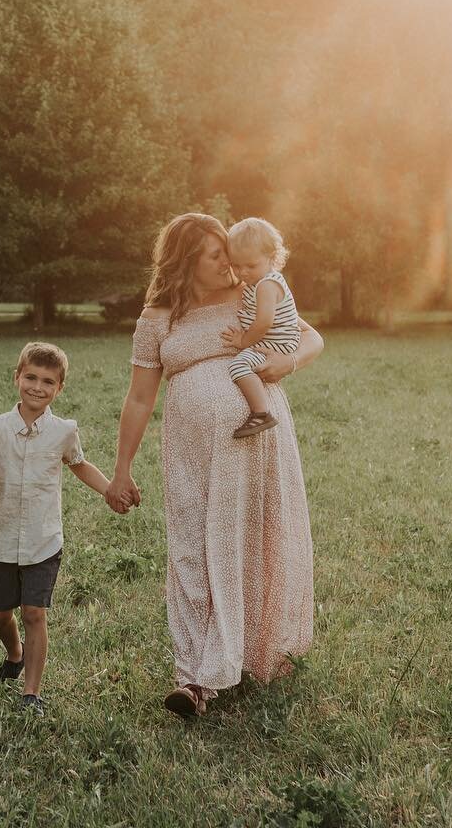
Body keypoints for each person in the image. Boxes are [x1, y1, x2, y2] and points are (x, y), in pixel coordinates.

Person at [103, 213, 324, 718]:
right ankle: (195, 676)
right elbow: (140, 398)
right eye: (215, 255)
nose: (229, 262)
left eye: (228, 250)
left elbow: (311, 337)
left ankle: (251, 654)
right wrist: (122, 468)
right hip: (195, 450)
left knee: (259, 540)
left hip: (261, 439)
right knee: (194, 545)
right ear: (186, 262)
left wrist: (285, 363)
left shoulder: (252, 294)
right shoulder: (158, 318)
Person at [0, 342, 119, 716]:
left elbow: (80, 465)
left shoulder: (64, 431)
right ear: (16, 377)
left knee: (34, 613)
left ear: (59, 388)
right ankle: (14, 654)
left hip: (44, 540)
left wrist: (111, 490)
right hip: (0, 538)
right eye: (31, 377)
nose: (38, 386)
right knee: (1, 613)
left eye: (48, 381)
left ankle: (31, 694)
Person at [225, 217, 302, 439]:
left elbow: (264, 323)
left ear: (271, 257)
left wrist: (243, 341)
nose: (243, 272)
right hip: (272, 339)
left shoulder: (267, 284)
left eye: (250, 265)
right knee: (242, 362)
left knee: (238, 365)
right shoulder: (255, 282)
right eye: (236, 266)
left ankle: (261, 412)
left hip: (278, 342)